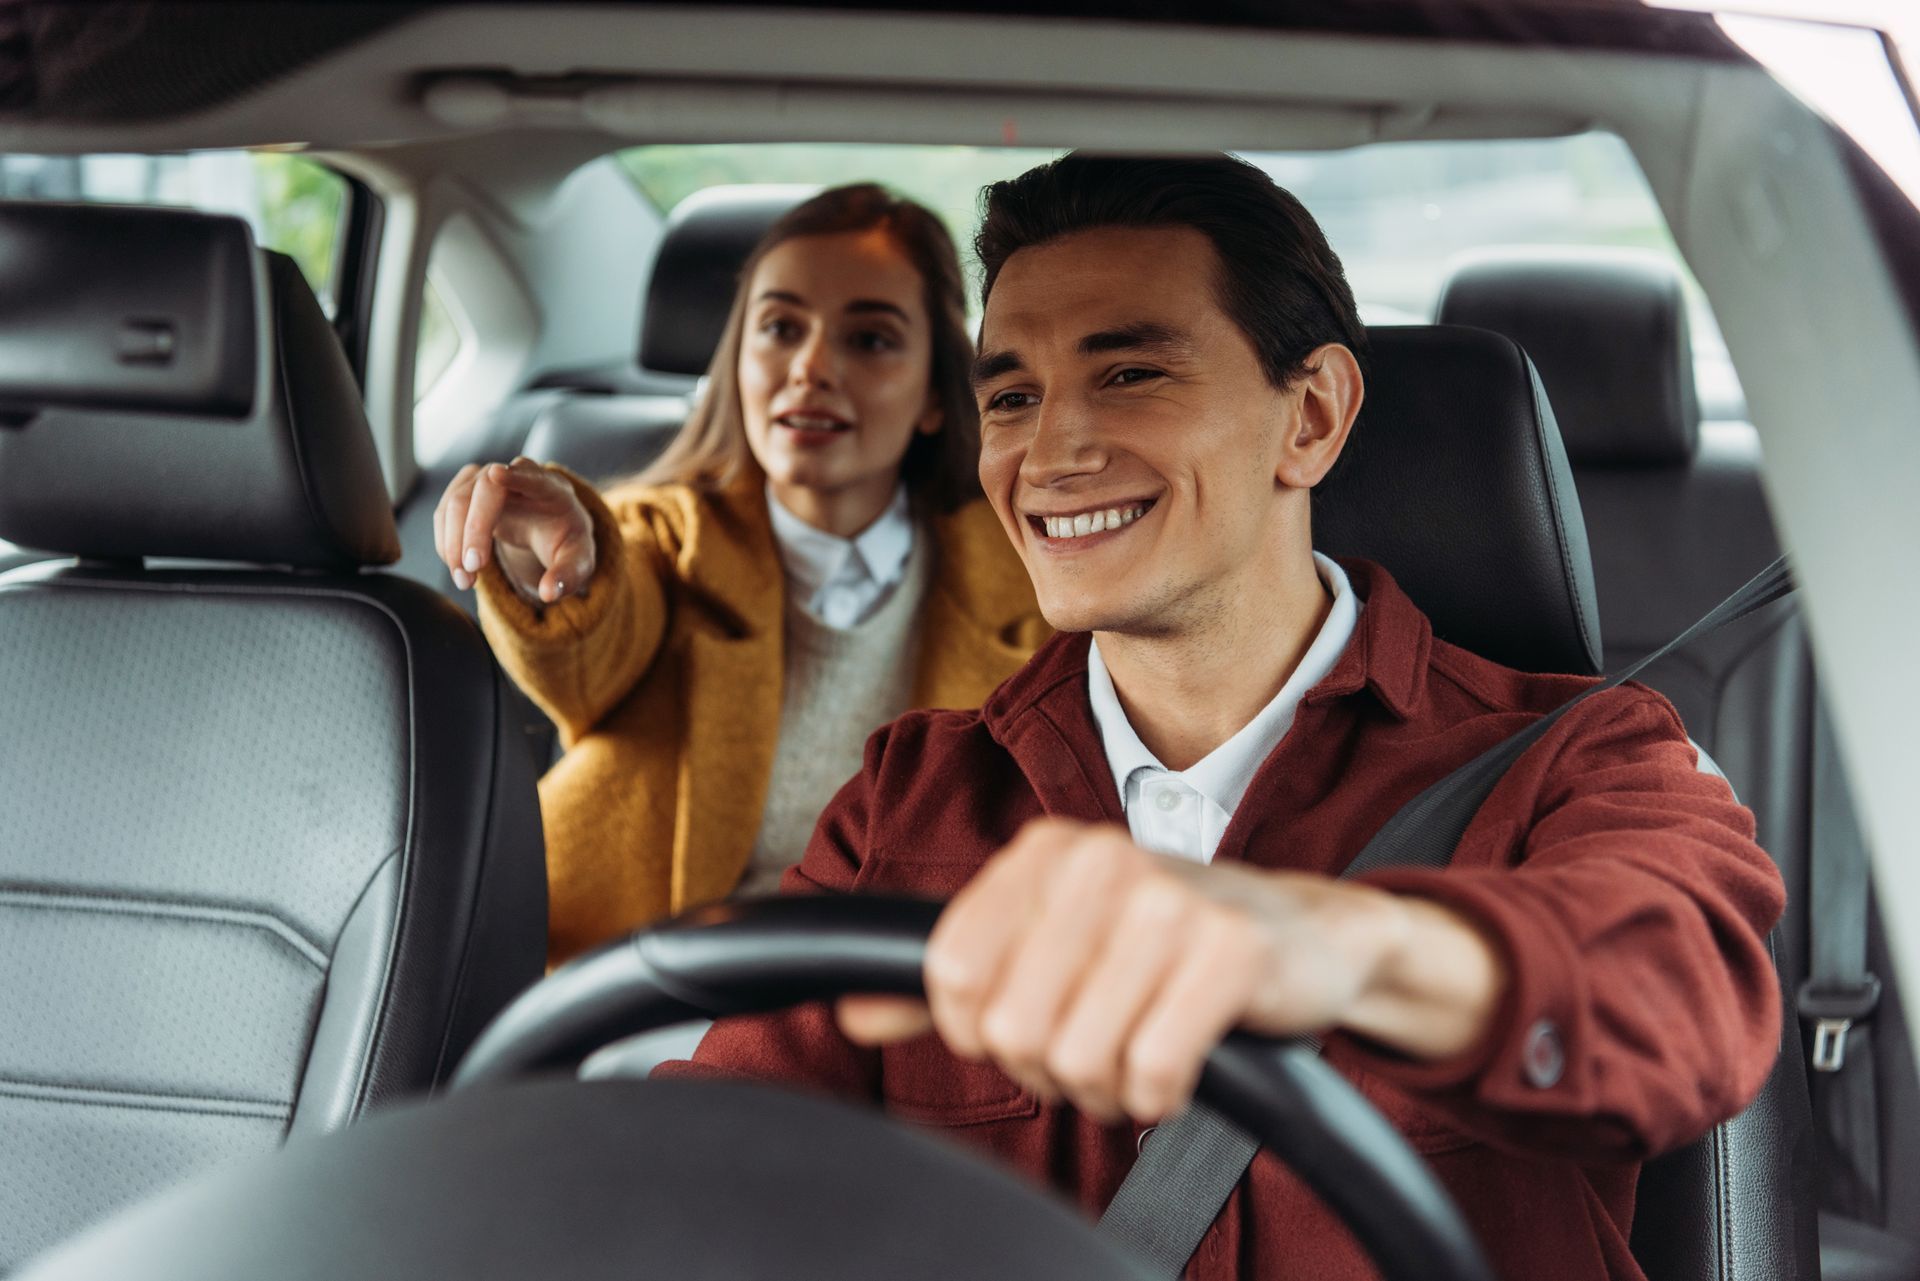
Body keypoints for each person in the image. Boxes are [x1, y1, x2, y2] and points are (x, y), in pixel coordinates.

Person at [680, 154, 1786, 1280]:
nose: (1050, 453)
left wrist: (1339, 948)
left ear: (1309, 418)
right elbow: (699, 1168)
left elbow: (1685, 992)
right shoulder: (907, 800)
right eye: (1011, 397)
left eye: (1131, 376)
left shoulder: (1580, 758)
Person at [434, 184, 1048, 965]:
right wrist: (564, 562)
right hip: (640, 991)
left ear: (935, 393)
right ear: (739, 363)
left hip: (902, 1013)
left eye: (870, 339)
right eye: (781, 328)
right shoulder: (658, 537)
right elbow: (596, 631)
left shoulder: (1029, 577)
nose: (811, 368)